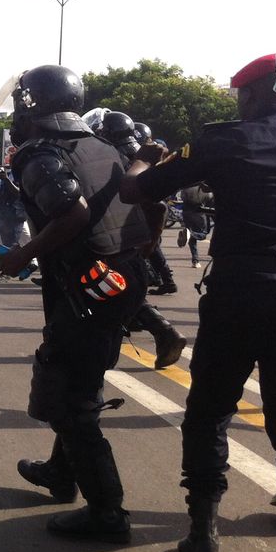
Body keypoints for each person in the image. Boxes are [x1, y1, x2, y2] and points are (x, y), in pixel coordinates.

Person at [121, 53, 276, 552]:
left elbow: (139, 193)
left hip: (235, 297)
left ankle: (202, 537)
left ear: (248, 96)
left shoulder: (218, 143)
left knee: (209, 412)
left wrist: (139, 165)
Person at [0, 65, 151, 542]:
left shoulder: (41, 154)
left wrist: (21, 254)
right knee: (81, 382)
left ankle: (108, 514)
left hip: (89, 286)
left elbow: (73, 212)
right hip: (120, 279)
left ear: (31, 104)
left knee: (68, 402)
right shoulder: (104, 146)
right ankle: (61, 474)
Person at [101, 111, 188, 370]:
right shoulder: (136, 154)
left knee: (108, 289)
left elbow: (157, 207)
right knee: (117, 289)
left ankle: (163, 333)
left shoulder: (121, 158)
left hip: (122, 236)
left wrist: (148, 244)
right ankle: (162, 332)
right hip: (132, 237)